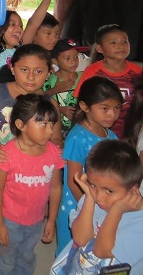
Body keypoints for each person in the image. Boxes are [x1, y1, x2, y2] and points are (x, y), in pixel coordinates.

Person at [0, 44, 62, 273]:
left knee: (22, 230)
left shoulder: (50, 104)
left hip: (28, 175)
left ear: (48, 72)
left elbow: (56, 139)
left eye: (39, 71)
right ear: (12, 68)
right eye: (24, 70)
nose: (31, 77)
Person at [0, 94, 63, 275]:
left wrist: (51, 220)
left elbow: (55, 188)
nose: (50, 130)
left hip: (36, 220)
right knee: (4, 262)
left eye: (51, 124)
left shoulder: (54, 153)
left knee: (26, 258)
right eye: (43, 124)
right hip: (9, 220)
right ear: (21, 125)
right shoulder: (7, 154)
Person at [53, 140, 143, 272]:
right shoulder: (92, 199)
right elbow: (81, 239)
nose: (99, 197)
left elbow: (101, 251)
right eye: (92, 185)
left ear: (133, 190)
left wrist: (116, 210)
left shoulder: (138, 221)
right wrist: (89, 198)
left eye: (109, 191)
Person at [56, 76, 121, 254]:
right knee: (70, 256)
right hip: (77, 209)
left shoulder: (111, 136)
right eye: (105, 108)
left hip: (101, 208)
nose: (112, 114)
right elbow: (74, 182)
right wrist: (90, 210)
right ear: (85, 107)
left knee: (91, 257)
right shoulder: (78, 138)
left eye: (116, 108)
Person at [0, 0, 65, 89]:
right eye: (12, 24)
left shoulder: (21, 50)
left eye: (21, 26)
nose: (18, 28)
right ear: (0, 27)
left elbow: (33, 24)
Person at [74, 24, 142, 137]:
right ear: (100, 48)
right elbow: (81, 101)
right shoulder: (92, 71)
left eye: (124, 41)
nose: (120, 46)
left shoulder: (138, 72)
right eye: (113, 43)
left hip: (131, 133)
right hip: (99, 133)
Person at [44, 39, 82, 137]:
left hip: (81, 129)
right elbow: (40, 101)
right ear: (55, 61)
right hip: (56, 131)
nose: (73, 61)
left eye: (76, 57)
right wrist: (59, 109)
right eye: (67, 58)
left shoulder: (84, 77)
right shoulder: (48, 80)